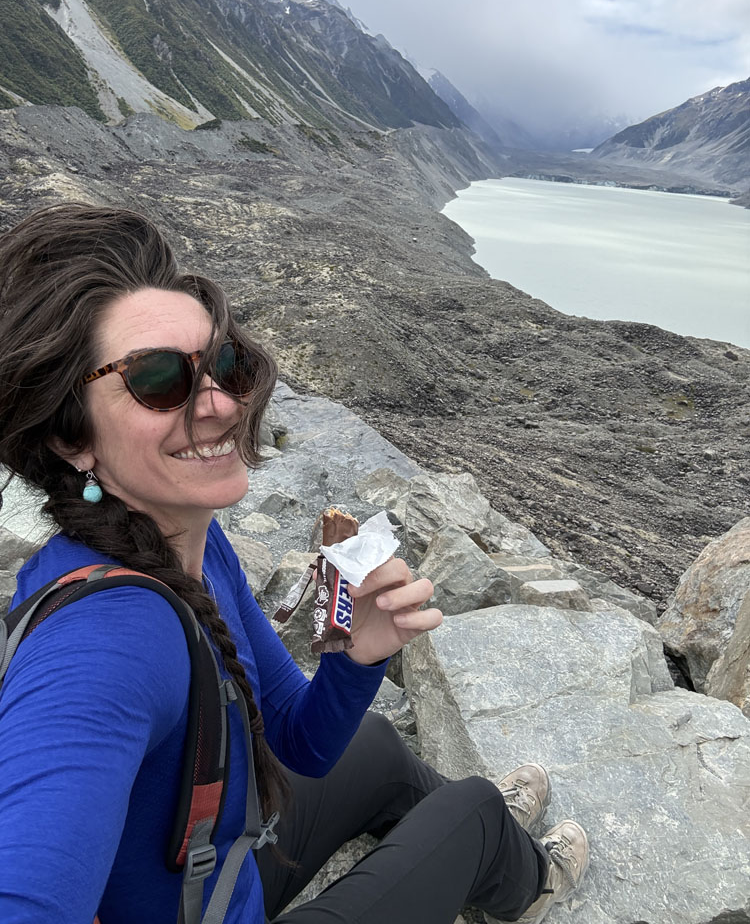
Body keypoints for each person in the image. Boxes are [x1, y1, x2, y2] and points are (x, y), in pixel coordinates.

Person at [0, 204, 589, 924]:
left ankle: (467, 845)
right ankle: (528, 880)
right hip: (217, 903)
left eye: (224, 363)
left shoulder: (189, 541)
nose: (218, 404)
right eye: (159, 380)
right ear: (70, 439)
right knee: (472, 813)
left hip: (216, 877)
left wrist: (355, 656)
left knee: (373, 745)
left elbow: (292, 740)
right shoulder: (109, 645)